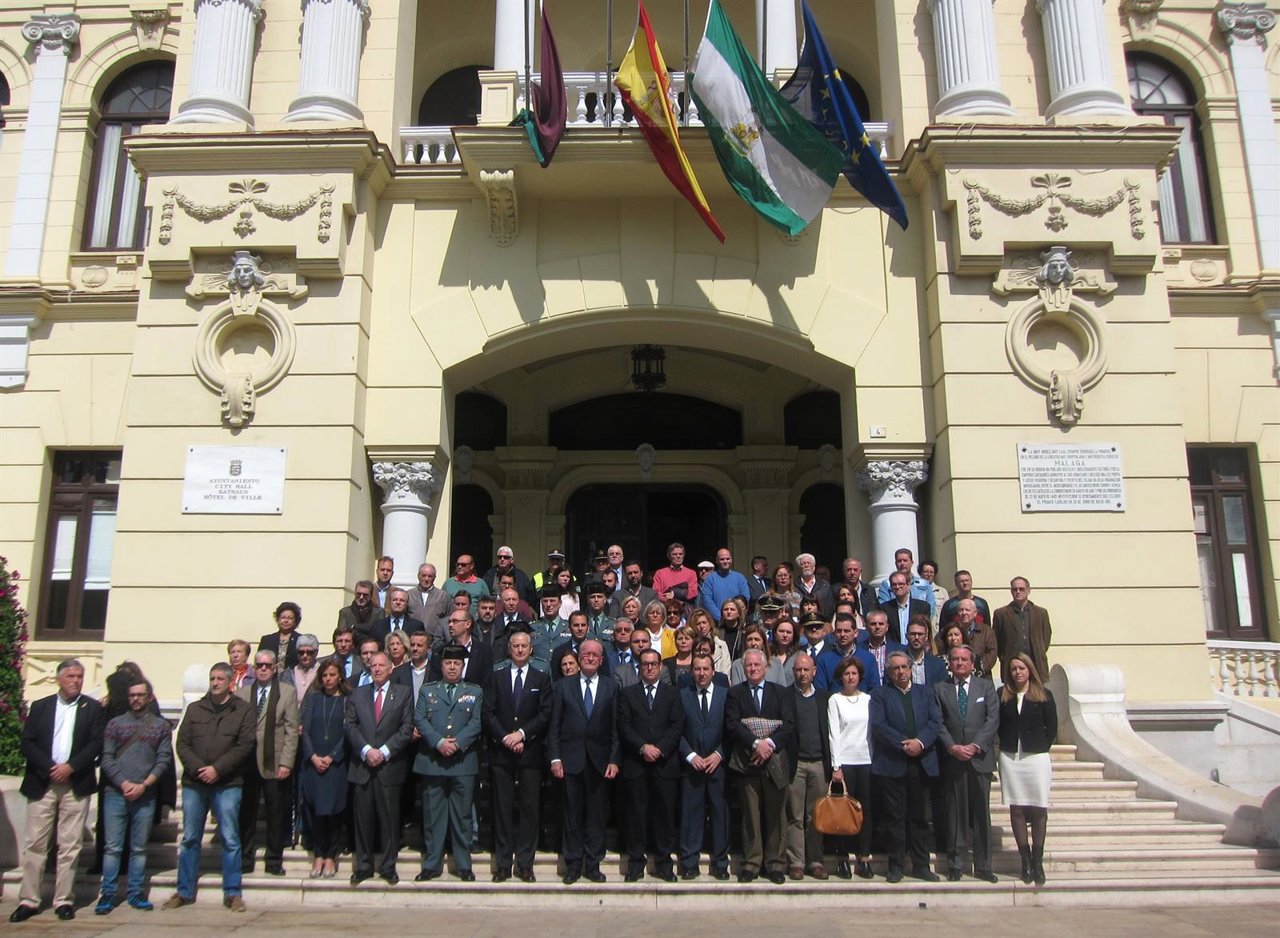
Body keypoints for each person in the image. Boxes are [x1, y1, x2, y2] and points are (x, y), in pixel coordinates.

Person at [10, 660, 104, 924]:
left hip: (75, 785)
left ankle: (63, 899)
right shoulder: (41, 707)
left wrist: (71, 767)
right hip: (43, 783)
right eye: (71, 676)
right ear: (59, 679)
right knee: (36, 844)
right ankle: (29, 900)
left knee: (70, 845)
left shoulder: (92, 708)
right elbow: (27, 743)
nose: (76, 680)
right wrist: (51, 768)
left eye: (80, 676)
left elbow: (96, 742)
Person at [166, 662, 256, 913]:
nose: (214, 683)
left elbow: (245, 745)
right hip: (195, 783)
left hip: (228, 783)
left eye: (219, 679)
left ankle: (232, 892)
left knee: (230, 838)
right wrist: (198, 768)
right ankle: (184, 890)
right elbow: (182, 743)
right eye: (212, 678)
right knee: (190, 838)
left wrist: (218, 769)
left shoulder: (243, 710)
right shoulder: (195, 709)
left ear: (230, 682)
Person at [94, 677, 171, 915]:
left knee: (139, 848)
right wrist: (124, 783)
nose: (136, 699)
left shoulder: (160, 726)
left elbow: (164, 758)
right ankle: (107, 893)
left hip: (145, 796)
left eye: (140, 695)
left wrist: (145, 785)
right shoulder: (115, 724)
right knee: (112, 848)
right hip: (115, 794)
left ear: (149, 697)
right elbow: (106, 758)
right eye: (132, 695)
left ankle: (135, 892)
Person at [548, 638, 619, 884]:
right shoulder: (563, 687)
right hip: (570, 760)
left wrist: (613, 758)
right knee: (572, 815)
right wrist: (555, 757)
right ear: (578, 658)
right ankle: (573, 863)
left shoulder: (611, 687)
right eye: (585, 653)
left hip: (600, 762)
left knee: (597, 816)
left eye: (594, 655)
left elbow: (615, 728)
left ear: (601, 660)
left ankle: (593, 863)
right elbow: (554, 725)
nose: (589, 657)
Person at [484, 628, 552, 882]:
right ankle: (503, 863)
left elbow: (545, 713)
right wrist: (506, 737)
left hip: (530, 752)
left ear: (531, 648)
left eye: (524, 646)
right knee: (501, 809)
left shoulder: (541, 677)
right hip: (501, 752)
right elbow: (488, 712)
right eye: (516, 646)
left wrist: (522, 734)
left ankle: (525, 863)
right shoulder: (497, 676)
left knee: (529, 809)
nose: (520, 650)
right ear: (509, 649)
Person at [870, 651, 942, 883]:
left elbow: (935, 722)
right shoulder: (880, 695)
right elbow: (879, 726)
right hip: (893, 763)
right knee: (894, 818)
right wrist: (903, 744)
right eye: (895, 668)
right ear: (888, 672)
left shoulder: (925, 692)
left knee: (919, 818)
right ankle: (896, 865)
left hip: (920, 763)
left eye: (904, 667)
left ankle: (921, 865)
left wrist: (920, 742)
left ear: (911, 669)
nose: (901, 672)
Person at [725, 648, 796, 884]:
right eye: (749, 666)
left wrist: (769, 745)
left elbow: (788, 724)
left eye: (757, 665)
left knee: (776, 816)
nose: (753, 669)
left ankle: (775, 864)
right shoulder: (736, 693)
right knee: (751, 816)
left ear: (766, 668)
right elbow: (733, 724)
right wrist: (755, 744)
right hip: (747, 762)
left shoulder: (781, 693)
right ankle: (752, 863)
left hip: (775, 761)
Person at [413, 644, 484, 882]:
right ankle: (432, 864)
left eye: (457, 664)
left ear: (463, 667)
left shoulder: (475, 692)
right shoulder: (428, 691)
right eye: (448, 663)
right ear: (441, 665)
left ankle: (463, 864)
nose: (452, 667)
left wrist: (458, 743)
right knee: (433, 816)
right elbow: (420, 719)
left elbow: (476, 722)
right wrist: (439, 742)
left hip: (462, 761)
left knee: (462, 816)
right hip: (433, 761)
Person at [345, 651, 415, 885]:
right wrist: (366, 751)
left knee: (389, 820)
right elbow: (350, 727)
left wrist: (384, 752)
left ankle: (388, 866)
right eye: (373, 665)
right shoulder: (357, 694)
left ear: (390, 668)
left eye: (381, 665)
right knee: (363, 820)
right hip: (363, 767)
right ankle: (363, 865)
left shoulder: (403, 694)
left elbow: (406, 729)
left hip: (389, 767)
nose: (376, 669)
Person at [617, 649, 684, 882]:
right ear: (639, 668)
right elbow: (624, 726)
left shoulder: (673, 694)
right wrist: (643, 747)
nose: (649, 668)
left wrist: (660, 748)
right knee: (636, 815)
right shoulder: (627, 694)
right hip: (637, 762)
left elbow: (677, 726)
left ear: (660, 667)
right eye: (644, 664)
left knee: (664, 815)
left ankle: (664, 863)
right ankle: (636, 862)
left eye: (653, 664)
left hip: (664, 764)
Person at [936, 644, 1000, 883]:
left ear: (973, 664)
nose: (960, 663)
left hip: (979, 760)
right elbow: (938, 722)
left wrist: (976, 746)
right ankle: (956, 863)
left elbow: (992, 719)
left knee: (981, 814)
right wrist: (952, 747)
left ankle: (983, 865)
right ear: (950, 664)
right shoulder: (940, 689)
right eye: (955, 660)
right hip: (954, 759)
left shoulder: (986, 687)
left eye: (964, 660)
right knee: (956, 814)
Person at [236, 649, 300, 877]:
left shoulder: (287, 692)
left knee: (276, 814)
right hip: (248, 763)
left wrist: (287, 763)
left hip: (275, 761)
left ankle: (274, 859)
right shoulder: (243, 694)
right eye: (260, 665)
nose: (263, 669)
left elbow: (292, 730)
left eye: (268, 665)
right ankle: (245, 858)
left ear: (275, 668)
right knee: (247, 813)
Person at [998, 652, 1058, 886]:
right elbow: (999, 725)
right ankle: (1025, 860)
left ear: (1029, 669)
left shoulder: (1044, 695)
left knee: (1038, 808)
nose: (1017, 672)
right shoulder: (1003, 695)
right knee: (1017, 808)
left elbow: (1051, 727)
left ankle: (1037, 859)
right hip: (1011, 756)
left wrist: (1040, 745)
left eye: (1021, 668)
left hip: (1036, 757)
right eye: (1013, 669)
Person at [678, 653, 730, 880]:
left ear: (713, 671)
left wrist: (719, 754)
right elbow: (675, 730)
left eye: (705, 669)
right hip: (692, 766)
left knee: (721, 814)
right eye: (697, 669)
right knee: (691, 815)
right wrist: (690, 755)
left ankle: (720, 863)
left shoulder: (726, 696)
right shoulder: (682, 696)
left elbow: (732, 730)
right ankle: (689, 862)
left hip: (717, 766)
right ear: (692, 672)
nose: (701, 673)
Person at [300, 659, 349, 879]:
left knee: (333, 811)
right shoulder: (313, 699)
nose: (328, 679)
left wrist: (331, 757)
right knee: (316, 810)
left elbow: (348, 732)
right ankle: (318, 854)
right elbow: (306, 730)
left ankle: (331, 854)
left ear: (340, 676)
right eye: (325, 676)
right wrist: (312, 756)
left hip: (335, 764)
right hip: (314, 762)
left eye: (332, 675)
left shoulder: (347, 701)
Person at [784, 654, 831, 881]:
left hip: (819, 763)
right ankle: (796, 861)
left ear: (814, 672)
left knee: (816, 816)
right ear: (793, 672)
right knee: (795, 815)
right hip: (796, 763)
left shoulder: (824, 698)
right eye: (798, 670)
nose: (802, 674)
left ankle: (816, 860)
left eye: (806, 670)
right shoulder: (785, 696)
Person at [828, 656, 874, 880]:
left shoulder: (867, 699)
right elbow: (834, 733)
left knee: (865, 812)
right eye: (847, 674)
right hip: (845, 762)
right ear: (841, 677)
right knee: (844, 814)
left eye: (854, 673)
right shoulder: (835, 700)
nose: (850, 677)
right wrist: (836, 765)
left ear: (860, 676)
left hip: (866, 760)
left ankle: (864, 857)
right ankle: (843, 858)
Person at [993, 577, 1053, 682]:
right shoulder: (1001, 614)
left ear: (1028, 590)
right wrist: (1004, 657)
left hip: (1036, 663)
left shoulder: (1041, 613)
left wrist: (1040, 651)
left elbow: (1046, 636)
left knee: (1037, 696)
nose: (1018, 592)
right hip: (1011, 666)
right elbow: (996, 639)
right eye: (1014, 589)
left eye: (1021, 589)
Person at [814, 614, 879, 693]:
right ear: (834, 633)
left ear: (856, 633)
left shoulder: (868, 658)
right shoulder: (823, 660)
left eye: (847, 631)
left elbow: (874, 690)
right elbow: (821, 692)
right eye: (839, 631)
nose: (842, 635)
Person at [429, 611, 493, 683]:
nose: (450, 625)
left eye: (455, 621)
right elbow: (434, 683)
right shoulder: (440, 652)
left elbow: (488, 682)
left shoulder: (484, 651)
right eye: (449, 622)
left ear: (468, 624)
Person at [874, 548, 938, 618]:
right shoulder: (887, 584)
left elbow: (931, 608)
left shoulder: (924, 584)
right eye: (899, 561)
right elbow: (884, 608)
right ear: (895, 563)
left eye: (905, 560)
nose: (902, 563)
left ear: (912, 562)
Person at [698, 548, 750, 624]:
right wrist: (722, 618)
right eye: (722, 559)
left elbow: (745, 599)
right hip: (717, 623)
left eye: (727, 559)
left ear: (731, 560)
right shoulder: (710, 579)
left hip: (738, 623)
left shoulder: (740, 578)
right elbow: (707, 601)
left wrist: (735, 616)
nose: (725, 561)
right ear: (717, 561)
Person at [878, 572, 932, 645]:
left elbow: (925, 632)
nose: (897, 587)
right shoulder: (884, 608)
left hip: (915, 649)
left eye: (901, 584)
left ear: (909, 585)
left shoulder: (923, 607)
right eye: (894, 584)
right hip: (894, 651)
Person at [953, 598, 998, 678]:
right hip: (956, 676)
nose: (964, 613)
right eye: (961, 610)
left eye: (967, 610)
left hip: (982, 677)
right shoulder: (950, 630)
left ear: (975, 613)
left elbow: (992, 653)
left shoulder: (986, 631)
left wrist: (976, 668)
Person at [406, 563, 451, 642]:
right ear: (418, 576)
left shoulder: (443, 596)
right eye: (423, 575)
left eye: (430, 576)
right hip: (412, 640)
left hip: (434, 641)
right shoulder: (409, 595)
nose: (426, 579)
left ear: (434, 578)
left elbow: (449, 618)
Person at [258, 601, 302, 673]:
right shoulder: (267, 640)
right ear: (278, 619)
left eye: (290, 618)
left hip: (293, 680)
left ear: (295, 621)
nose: (286, 621)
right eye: (283, 617)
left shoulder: (300, 639)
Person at [904, 617, 947, 685]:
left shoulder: (937, 664)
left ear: (926, 637)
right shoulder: (898, 662)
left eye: (920, 634)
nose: (917, 638)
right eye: (913, 634)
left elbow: (943, 690)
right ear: (906, 636)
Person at [689, 607, 731, 675]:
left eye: (704, 622)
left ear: (710, 624)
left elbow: (726, 669)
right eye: (698, 624)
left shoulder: (721, 645)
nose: (702, 626)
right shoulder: (690, 645)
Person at [794, 553, 834, 619]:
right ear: (799, 568)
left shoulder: (825, 585)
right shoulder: (794, 585)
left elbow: (829, 608)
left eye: (808, 563)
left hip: (820, 623)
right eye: (803, 564)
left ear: (814, 567)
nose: (806, 565)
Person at [767, 618, 801, 687]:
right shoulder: (766, 654)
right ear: (775, 633)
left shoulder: (800, 656)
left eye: (788, 632)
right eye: (781, 631)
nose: (785, 635)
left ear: (794, 635)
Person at [290, 633, 321, 701]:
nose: (305, 655)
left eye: (309, 652)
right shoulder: (289, 673)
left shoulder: (322, 672)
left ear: (316, 653)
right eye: (301, 652)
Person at [918, 560, 949, 627]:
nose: (929, 574)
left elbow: (947, 612)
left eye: (931, 572)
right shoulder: (915, 590)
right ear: (920, 573)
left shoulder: (942, 591)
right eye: (926, 572)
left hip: (937, 629)